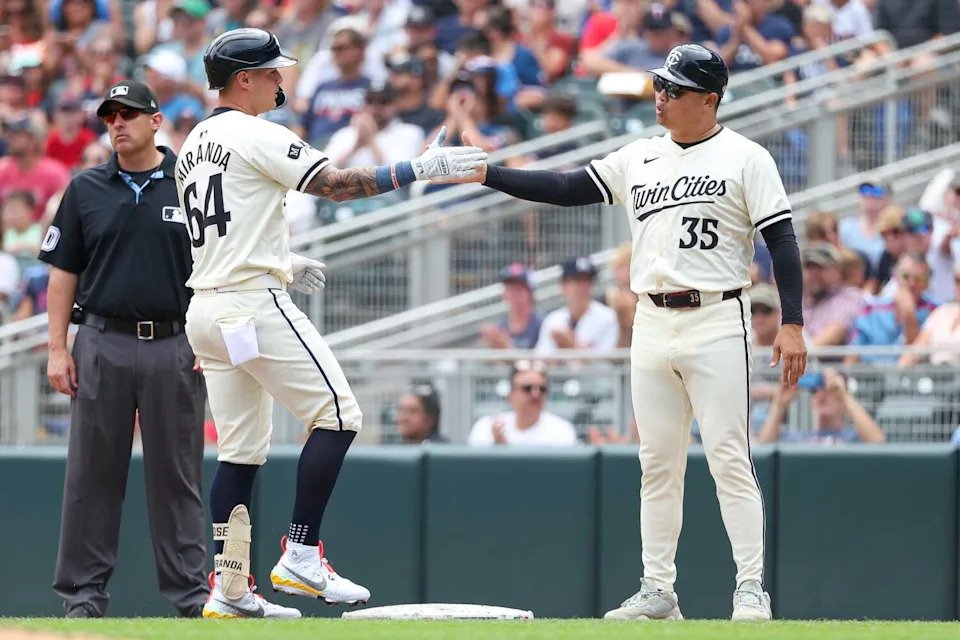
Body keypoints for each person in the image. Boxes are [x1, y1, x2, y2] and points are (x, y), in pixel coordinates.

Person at [439, 44, 806, 621]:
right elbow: (565, 186)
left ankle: (750, 587)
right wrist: (489, 173)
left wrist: (792, 321)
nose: (661, 96)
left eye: (675, 89)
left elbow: (781, 240)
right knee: (657, 460)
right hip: (652, 318)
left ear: (709, 99)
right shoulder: (640, 155)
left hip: (717, 313)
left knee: (728, 456)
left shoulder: (745, 157)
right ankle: (659, 589)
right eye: (660, 85)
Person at [176, 27, 485, 619]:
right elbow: (339, 186)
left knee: (240, 454)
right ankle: (299, 551)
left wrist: (281, 258)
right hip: (250, 301)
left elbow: (220, 222)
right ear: (243, 79)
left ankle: (231, 587)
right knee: (340, 414)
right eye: (270, 71)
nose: (280, 80)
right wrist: (418, 168)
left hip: (208, 307)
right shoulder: (253, 131)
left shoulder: (194, 140)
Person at [40, 80, 208, 619]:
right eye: (110, 115)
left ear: (156, 121)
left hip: (175, 342)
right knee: (91, 475)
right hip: (102, 340)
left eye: (130, 113)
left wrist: (211, 337)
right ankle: (82, 598)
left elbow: (217, 268)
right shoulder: (86, 187)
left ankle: (190, 596)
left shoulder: (194, 183)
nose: (118, 123)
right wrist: (56, 349)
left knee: (177, 476)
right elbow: (63, 271)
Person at [845, 253, 938, 364]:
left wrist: (909, 317)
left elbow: (916, 358)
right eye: (906, 276)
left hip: (912, 377)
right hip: (870, 376)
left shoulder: (936, 311)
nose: (912, 283)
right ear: (895, 276)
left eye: (920, 278)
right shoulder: (871, 309)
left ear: (927, 282)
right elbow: (853, 352)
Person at [758, 369, 886, 443]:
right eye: (814, 390)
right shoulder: (798, 437)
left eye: (830, 389)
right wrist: (778, 404)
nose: (821, 395)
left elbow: (878, 442)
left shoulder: (853, 436)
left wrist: (845, 397)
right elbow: (763, 449)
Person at [467, 361, 578, 446]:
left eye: (542, 389)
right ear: (511, 394)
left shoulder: (561, 430)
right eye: (527, 388)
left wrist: (504, 450)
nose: (536, 394)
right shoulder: (485, 427)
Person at [535, 256, 619, 357]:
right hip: (557, 373)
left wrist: (572, 347)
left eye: (586, 281)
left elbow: (608, 366)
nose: (581, 287)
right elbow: (541, 362)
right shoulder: (553, 320)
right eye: (575, 281)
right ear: (562, 286)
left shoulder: (609, 318)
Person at [802, 242, 863, 347]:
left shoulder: (848, 297)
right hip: (795, 359)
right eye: (809, 268)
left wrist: (795, 355)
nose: (814, 274)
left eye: (820, 268)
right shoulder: (797, 300)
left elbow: (835, 334)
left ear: (837, 271)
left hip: (829, 362)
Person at [899, 263, 960, 368]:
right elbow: (915, 351)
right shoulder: (942, 312)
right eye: (958, 280)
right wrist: (895, 375)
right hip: (936, 378)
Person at [480, 263, 544, 350]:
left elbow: (543, 361)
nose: (514, 294)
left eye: (519, 289)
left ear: (530, 293)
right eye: (510, 288)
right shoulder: (502, 326)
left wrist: (507, 349)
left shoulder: (542, 324)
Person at [839, 177, 891, 272]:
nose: (869, 196)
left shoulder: (892, 232)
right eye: (865, 190)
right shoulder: (845, 228)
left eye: (876, 192)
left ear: (887, 199)